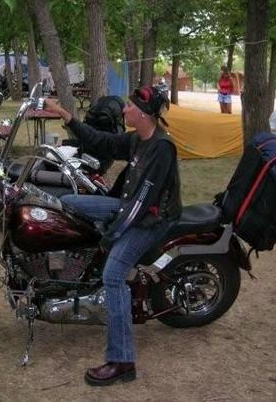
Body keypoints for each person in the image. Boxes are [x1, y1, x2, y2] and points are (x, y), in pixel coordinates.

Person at [44, 85, 182, 387]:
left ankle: (122, 361)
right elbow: (102, 141)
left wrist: (112, 236)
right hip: (129, 206)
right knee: (68, 203)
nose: (124, 110)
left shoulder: (161, 149)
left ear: (144, 115)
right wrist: (67, 116)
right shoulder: (137, 139)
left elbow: (144, 203)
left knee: (114, 276)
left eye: (130, 107)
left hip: (150, 220)